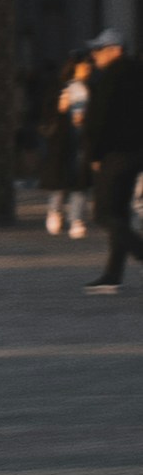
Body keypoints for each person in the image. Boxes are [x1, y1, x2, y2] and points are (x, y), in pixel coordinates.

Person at [87, 32, 143, 292]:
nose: (95, 55)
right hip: (136, 152)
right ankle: (112, 274)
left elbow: (99, 119)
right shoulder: (138, 73)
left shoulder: (110, 78)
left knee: (104, 213)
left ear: (115, 50)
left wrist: (95, 154)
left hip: (115, 154)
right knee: (118, 213)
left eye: (100, 50)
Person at [44, 54, 96, 238]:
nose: (87, 71)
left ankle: (76, 219)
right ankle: (55, 211)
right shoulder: (63, 88)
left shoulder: (90, 89)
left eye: (89, 68)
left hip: (83, 139)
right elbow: (48, 114)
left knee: (80, 182)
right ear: (75, 67)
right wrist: (61, 109)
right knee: (61, 182)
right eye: (85, 67)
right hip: (63, 140)